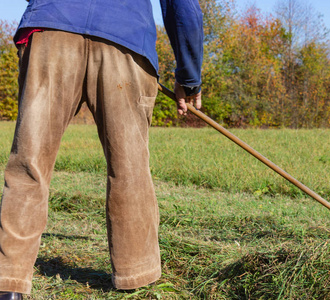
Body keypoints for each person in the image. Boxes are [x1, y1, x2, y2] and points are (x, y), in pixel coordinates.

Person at [0, 0, 203, 298]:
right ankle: (137, 277)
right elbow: (182, 5)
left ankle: (9, 281)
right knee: (129, 167)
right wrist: (189, 76)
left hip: (53, 26)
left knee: (29, 162)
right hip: (125, 36)